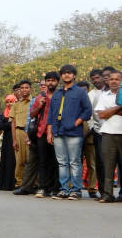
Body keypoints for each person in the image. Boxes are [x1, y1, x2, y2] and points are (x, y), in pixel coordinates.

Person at [47, 64, 92, 200]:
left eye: (69, 73)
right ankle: (64, 189)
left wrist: (76, 123)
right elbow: (51, 114)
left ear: (74, 76)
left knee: (74, 162)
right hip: (58, 132)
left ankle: (76, 190)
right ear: (61, 76)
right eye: (64, 73)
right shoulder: (57, 94)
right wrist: (49, 133)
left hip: (73, 132)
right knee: (62, 162)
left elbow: (87, 111)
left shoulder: (80, 92)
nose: (66, 75)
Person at [94, 70, 122, 203]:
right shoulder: (104, 95)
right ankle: (108, 194)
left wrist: (109, 110)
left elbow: (106, 113)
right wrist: (119, 107)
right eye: (112, 79)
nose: (114, 81)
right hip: (108, 133)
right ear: (108, 81)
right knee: (108, 166)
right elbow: (101, 115)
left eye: (117, 79)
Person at [9, 80, 32, 188]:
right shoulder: (16, 105)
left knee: (32, 160)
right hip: (19, 132)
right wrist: (14, 140)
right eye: (21, 88)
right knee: (20, 160)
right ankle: (19, 184)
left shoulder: (35, 101)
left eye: (26, 87)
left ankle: (33, 184)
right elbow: (13, 122)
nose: (24, 90)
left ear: (30, 89)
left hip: (31, 132)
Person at [88, 68, 105, 199]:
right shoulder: (91, 94)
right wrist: (93, 128)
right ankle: (104, 192)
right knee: (100, 162)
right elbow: (89, 114)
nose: (95, 80)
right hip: (99, 133)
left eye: (97, 77)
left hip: (116, 131)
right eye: (93, 78)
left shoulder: (112, 91)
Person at [0, 94, 17, 190]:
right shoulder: (4, 113)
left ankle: (14, 184)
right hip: (6, 140)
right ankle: (4, 184)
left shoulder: (18, 112)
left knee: (14, 161)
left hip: (15, 138)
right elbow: (1, 126)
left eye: (11, 101)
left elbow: (7, 125)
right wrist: (9, 123)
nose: (9, 104)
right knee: (6, 161)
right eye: (7, 102)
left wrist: (8, 124)